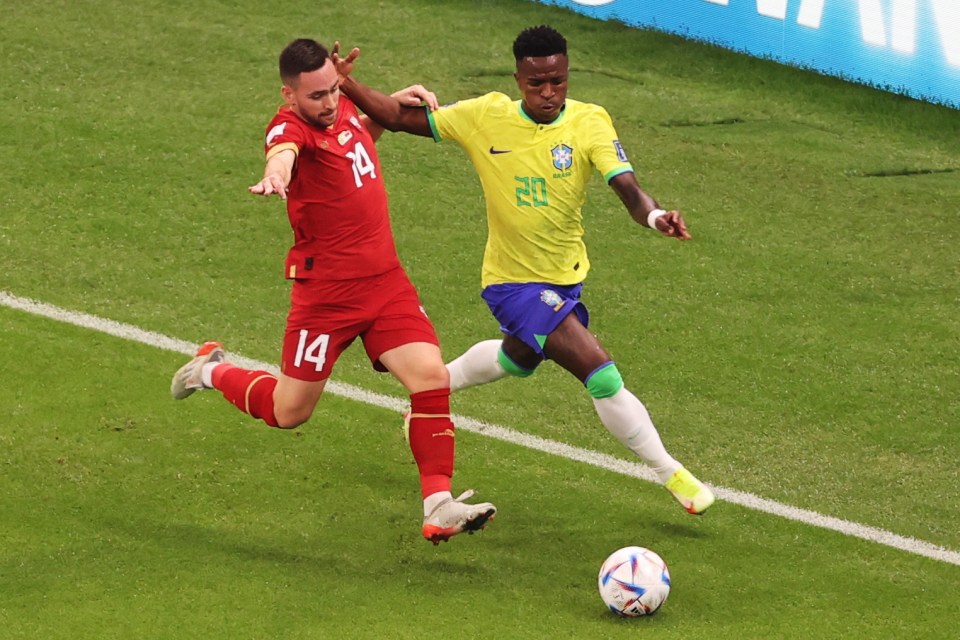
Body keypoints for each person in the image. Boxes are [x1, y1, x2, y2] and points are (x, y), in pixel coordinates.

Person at [335, 25, 715, 515]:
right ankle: (672, 474)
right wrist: (346, 85)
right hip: (512, 283)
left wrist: (655, 216)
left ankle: (431, 394)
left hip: (564, 277)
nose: (549, 93)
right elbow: (399, 118)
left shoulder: (589, 122)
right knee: (600, 374)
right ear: (518, 79)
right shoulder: (484, 116)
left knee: (517, 359)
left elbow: (626, 186)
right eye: (537, 83)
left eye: (557, 81)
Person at [170, 38, 496, 544]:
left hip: (386, 283)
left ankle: (439, 506)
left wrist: (391, 108)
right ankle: (209, 371)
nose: (327, 102)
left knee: (431, 377)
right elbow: (283, 152)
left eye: (333, 89)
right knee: (289, 412)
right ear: (289, 93)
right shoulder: (289, 126)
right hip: (326, 297)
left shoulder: (339, 109)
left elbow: (355, 143)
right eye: (316, 95)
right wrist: (274, 175)